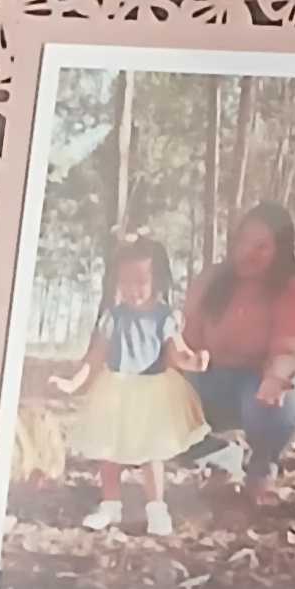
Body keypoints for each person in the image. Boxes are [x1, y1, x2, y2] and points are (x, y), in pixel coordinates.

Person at [54, 227, 206, 538]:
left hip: (151, 391)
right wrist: (73, 383)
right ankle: (110, 505)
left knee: (151, 454)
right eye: (125, 282)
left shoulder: (165, 317)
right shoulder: (114, 316)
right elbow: (95, 357)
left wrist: (193, 361)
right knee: (109, 450)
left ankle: (156, 509)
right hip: (115, 391)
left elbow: (176, 351)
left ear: (157, 281)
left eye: (140, 281)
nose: (132, 289)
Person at [181, 200, 295, 509]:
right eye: (243, 242)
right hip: (211, 382)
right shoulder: (211, 280)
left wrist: (276, 377)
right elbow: (186, 342)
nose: (247, 253)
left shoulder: (292, 287)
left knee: (286, 393)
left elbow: (288, 347)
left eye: (261, 247)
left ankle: (261, 470)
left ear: (279, 250)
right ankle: (220, 460)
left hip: (260, 385)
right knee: (156, 400)